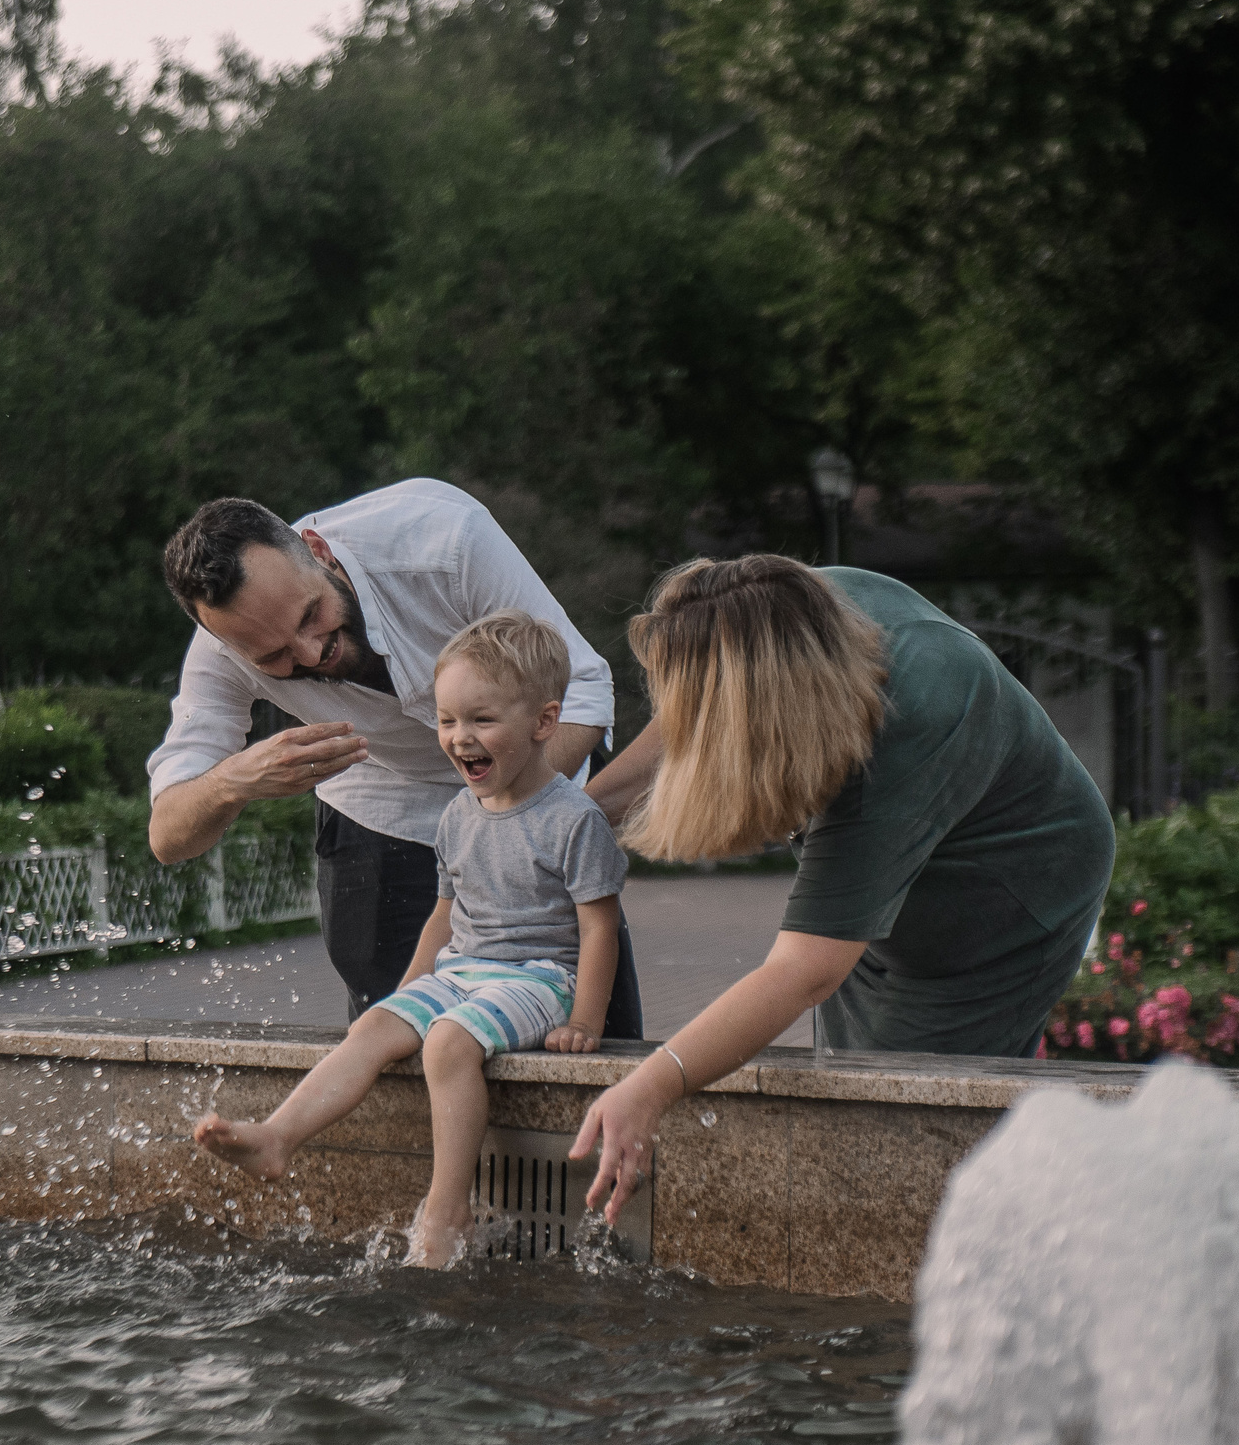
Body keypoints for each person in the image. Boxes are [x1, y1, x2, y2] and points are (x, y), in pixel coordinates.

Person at [568, 557, 1117, 1219]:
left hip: (1009, 901)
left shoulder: (908, 726)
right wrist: (573, 818)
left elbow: (804, 971)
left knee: (913, 1133)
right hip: (909, 816)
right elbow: (697, 704)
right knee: (853, 1091)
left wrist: (651, 1087)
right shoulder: (793, 612)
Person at [193, 613, 628, 1266]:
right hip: (463, 969)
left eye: (482, 719)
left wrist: (584, 1020)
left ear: (544, 722)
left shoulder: (573, 818)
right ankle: (277, 1137)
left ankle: (446, 1208)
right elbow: (442, 916)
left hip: (539, 976)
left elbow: (599, 926)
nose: (459, 737)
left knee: (449, 1042)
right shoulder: (458, 814)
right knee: (373, 1026)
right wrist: (407, 996)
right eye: (447, 720)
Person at [147, 481, 645, 1037]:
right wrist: (230, 781)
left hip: (529, 790)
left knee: (590, 1033)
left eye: (311, 615)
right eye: (275, 656)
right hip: (378, 801)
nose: (312, 652)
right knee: (393, 1041)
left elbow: (581, 690)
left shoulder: (443, 541)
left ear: (319, 551)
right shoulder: (220, 655)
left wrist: (513, 818)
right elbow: (168, 835)